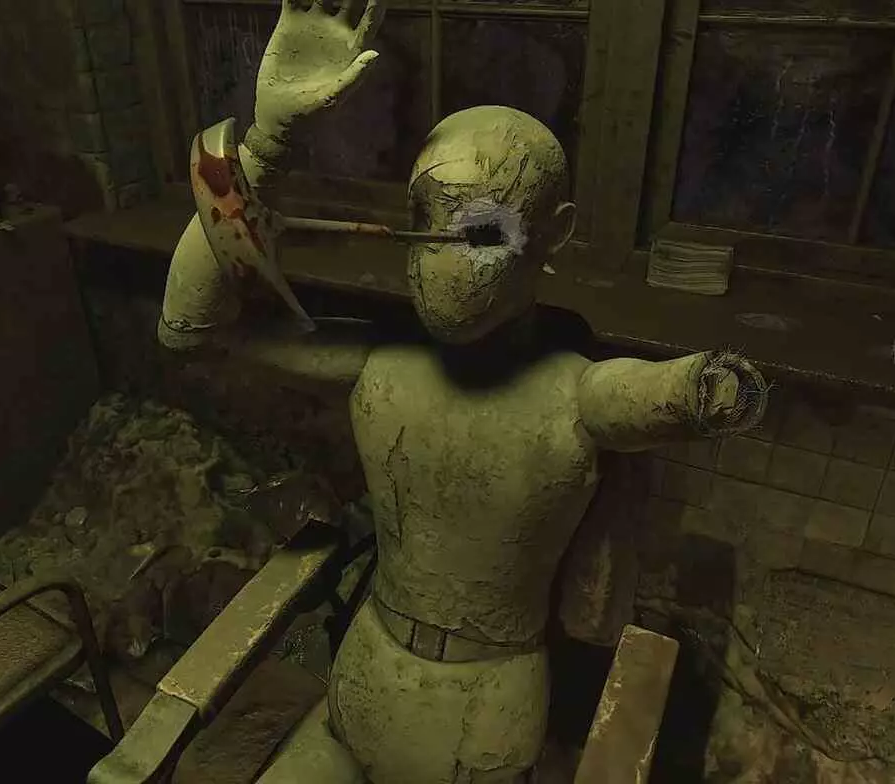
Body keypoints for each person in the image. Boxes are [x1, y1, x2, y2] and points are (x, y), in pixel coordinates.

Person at [159, 1, 770, 781]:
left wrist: (710, 388)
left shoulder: (571, 395)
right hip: (363, 679)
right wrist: (264, 147)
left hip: (484, 719)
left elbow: (663, 395)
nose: (443, 251)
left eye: (482, 228)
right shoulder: (380, 364)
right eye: (425, 214)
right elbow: (190, 331)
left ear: (553, 234)